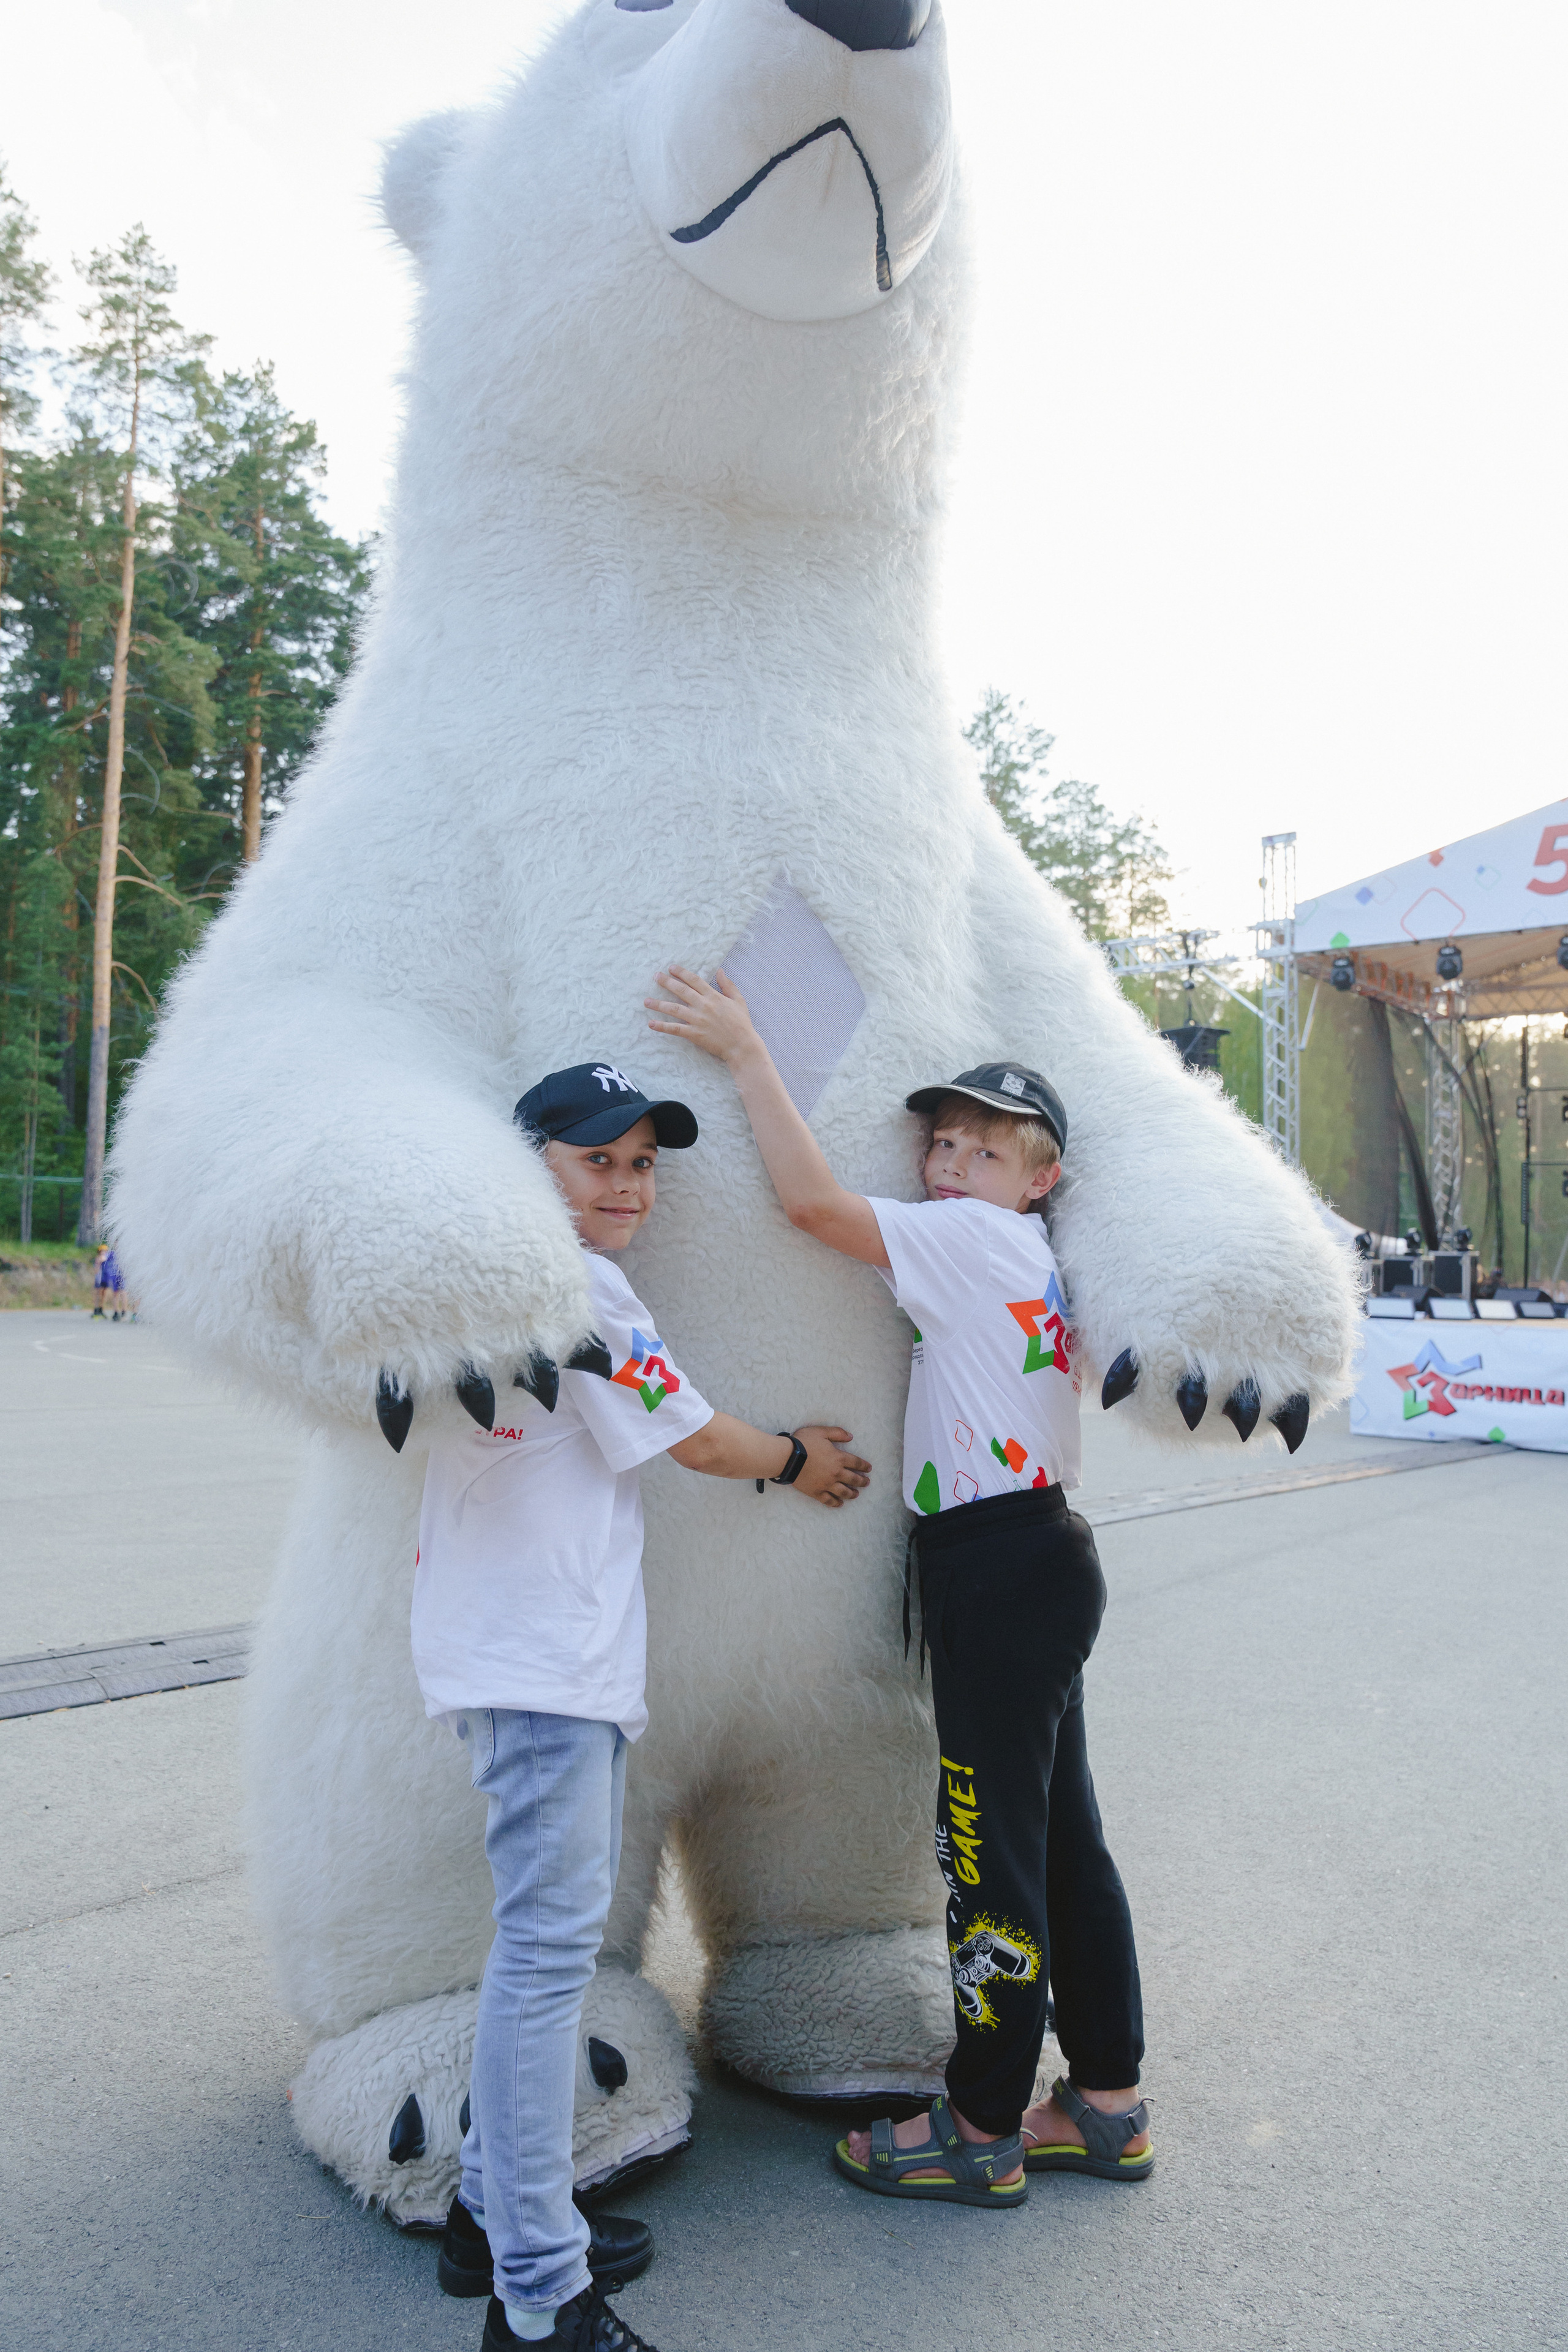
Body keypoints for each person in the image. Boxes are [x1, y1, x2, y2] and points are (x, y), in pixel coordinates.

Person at [645, 968, 1151, 2211]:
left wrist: (748, 1049)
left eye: (985, 1149)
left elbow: (812, 1204)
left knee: (984, 1854)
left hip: (992, 1566)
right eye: (940, 1140)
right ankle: (1104, 2100)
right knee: (1061, 1843)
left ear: (1038, 1177)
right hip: (1040, 1552)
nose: (947, 1160)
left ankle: (979, 2125)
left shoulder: (969, 1239)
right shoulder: (1025, 1248)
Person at [417, 1060, 871, 2352]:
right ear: (533, 1167)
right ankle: (541, 2294)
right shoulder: (580, 1297)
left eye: (641, 1163)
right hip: (542, 1668)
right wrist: (800, 1459)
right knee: (545, 1963)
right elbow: (697, 1440)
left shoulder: (497, 1286)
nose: (625, 1187)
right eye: (593, 1161)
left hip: (516, 1653)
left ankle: (488, 2214)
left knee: (538, 1955)